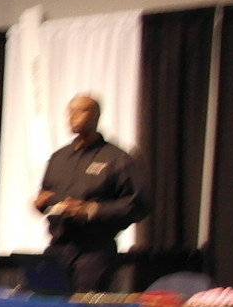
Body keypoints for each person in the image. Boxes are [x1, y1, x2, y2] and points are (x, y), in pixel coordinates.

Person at [32, 94, 147, 293]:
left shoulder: (117, 158)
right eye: (70, 111)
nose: (73, 116)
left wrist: (92, 210)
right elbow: (48, 197)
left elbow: (139, 205)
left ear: (96, 116)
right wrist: (42, 204)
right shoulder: (59, 158)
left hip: (93, 252)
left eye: (81, 110)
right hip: (57, 249)